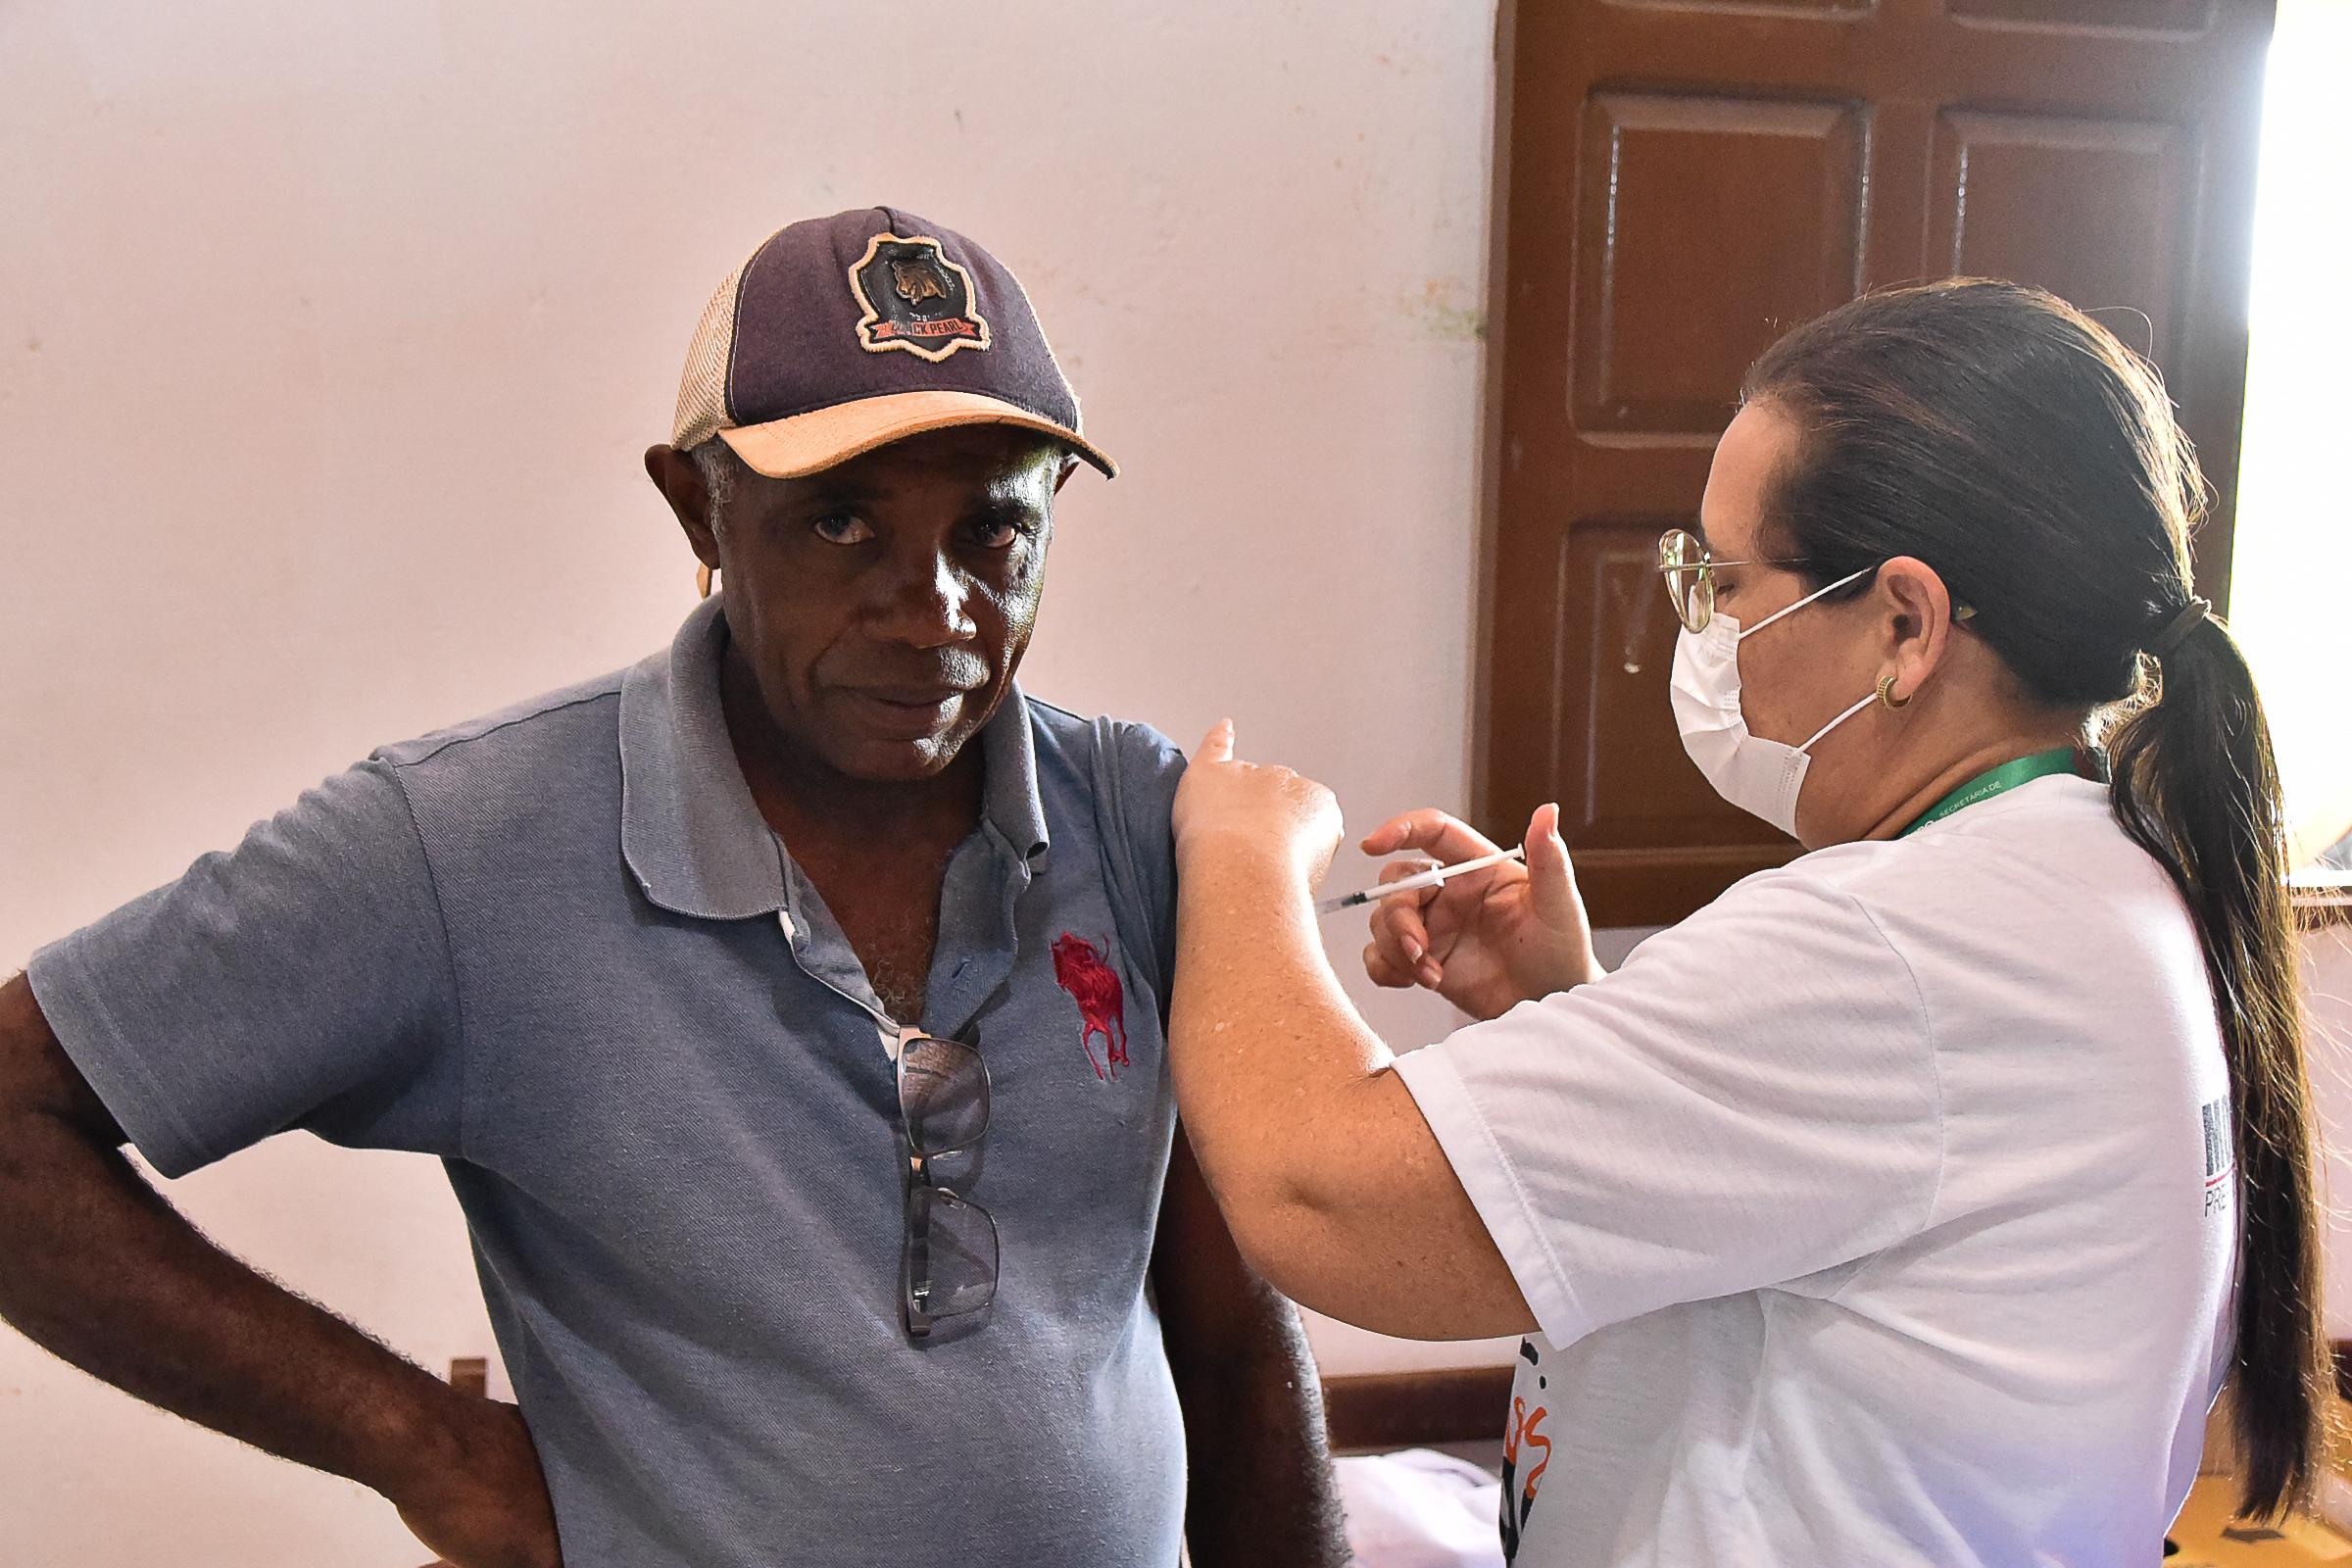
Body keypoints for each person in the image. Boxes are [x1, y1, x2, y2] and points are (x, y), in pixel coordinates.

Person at [0, 208, 1346, 1568]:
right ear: (699, 506)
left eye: (994, 529)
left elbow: (1235, 1338)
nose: (932, 609)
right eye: (841, 522)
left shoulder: (1135, 821)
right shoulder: (467, 844)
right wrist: (427, 1449)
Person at [1160, 280, 2321, 1565]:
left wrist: (1239, 857)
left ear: (1905, 624)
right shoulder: (2094, 875)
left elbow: (1322, 1200)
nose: (1703, 632)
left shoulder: (1900, 946)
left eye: (1723, 581)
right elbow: (1839, 1190)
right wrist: (1569, 1010)